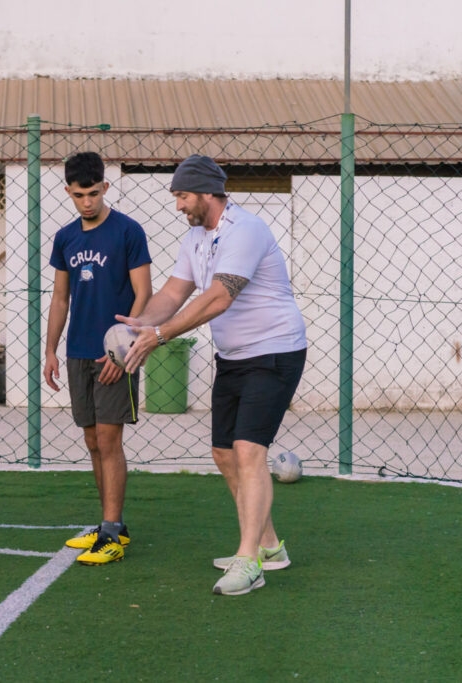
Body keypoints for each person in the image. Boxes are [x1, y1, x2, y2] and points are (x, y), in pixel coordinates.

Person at [119, 154, 307, 595]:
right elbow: (173, 291)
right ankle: (270, 548)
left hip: (275, 351)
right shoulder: (196, 238)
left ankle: (249, 562)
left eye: (183, 196)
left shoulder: (247, 230)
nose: (179, 205)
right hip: (234, 357)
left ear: (206, 192)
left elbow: (220, 296)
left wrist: (160, 335)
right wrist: (140, 326)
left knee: (248, 450)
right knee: (223, 452)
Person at [44, 152, 152, 565]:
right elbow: (59, 297)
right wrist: (51, 350)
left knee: (109, 440)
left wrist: (125, 349)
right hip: (77, 352)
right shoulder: (66, 237)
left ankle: (110, 531)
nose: (86, 202)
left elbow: (145, 294)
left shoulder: (128, 231)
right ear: (68, 192)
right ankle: (112, 525)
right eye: (78, 195)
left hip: (115, 353)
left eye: (93, 194)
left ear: (105, 188)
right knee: (91, 441)